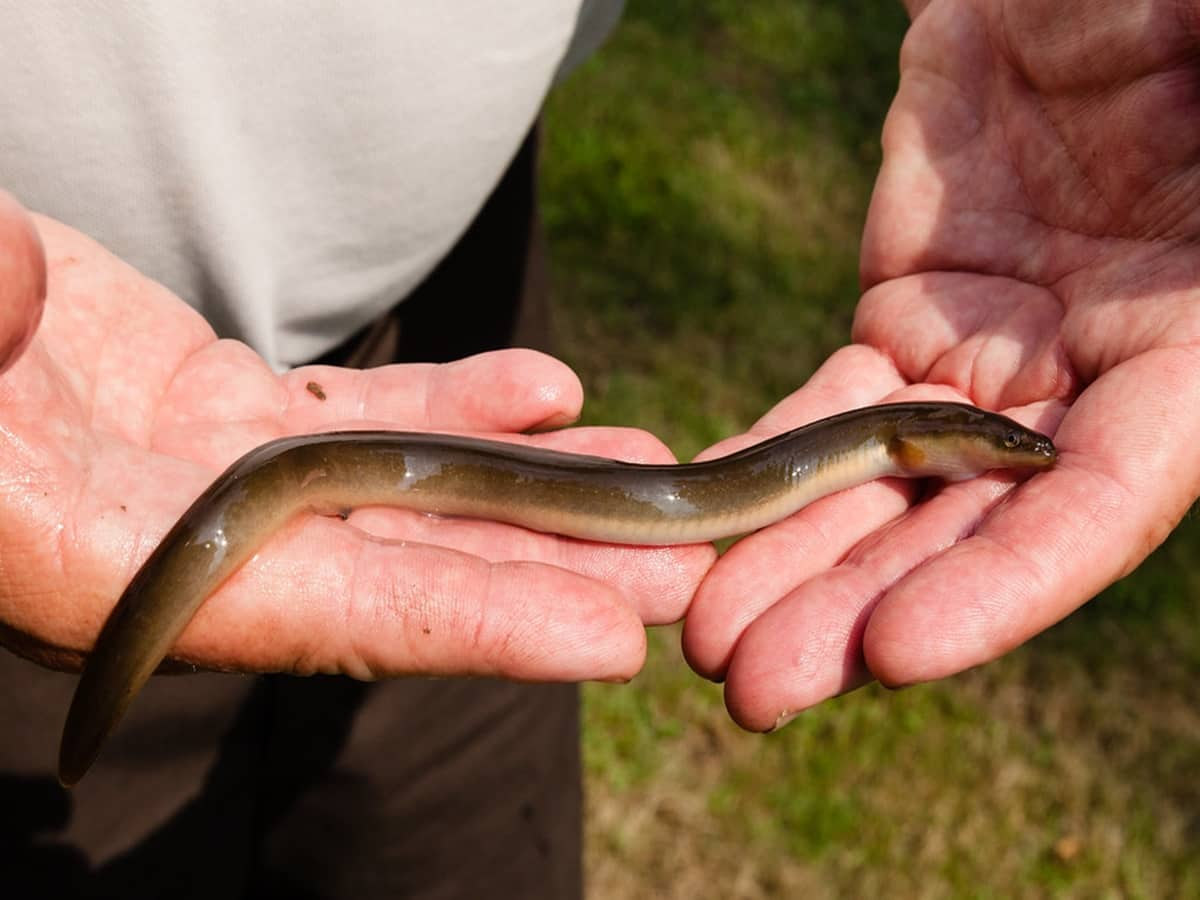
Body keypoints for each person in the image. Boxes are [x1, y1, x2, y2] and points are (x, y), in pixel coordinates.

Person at [1, 0, 1197, 896]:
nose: (994, 449)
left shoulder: (889, 440)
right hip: (51, 363)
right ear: (910, 438)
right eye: (981, 440)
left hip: (444, 292)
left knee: (458, 838)